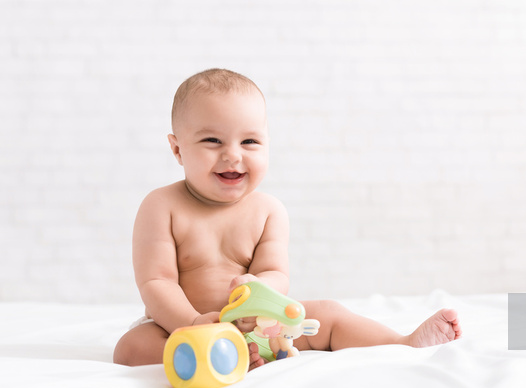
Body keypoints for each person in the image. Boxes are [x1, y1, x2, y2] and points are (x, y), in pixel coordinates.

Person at [113, 68, 462, 369]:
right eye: (212, 140)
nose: (232, 154)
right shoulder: (162, 206)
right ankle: (217, 356)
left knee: (328, 313)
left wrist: (258, 291)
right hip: (183, 329)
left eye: (249, 141)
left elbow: (276, 274)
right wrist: (191, 324)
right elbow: (157, 283)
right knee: (130, 348)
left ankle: (403, 342)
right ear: (177, 149)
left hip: (261, 326)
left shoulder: (267, 210)